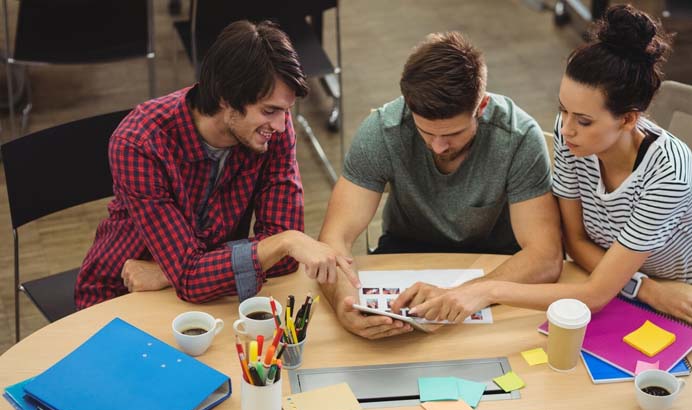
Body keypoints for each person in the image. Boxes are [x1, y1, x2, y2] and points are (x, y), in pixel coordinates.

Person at [399, 5, 692, 324]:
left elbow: (594, 296)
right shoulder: (573, 138)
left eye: (583, 120)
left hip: (678, 293)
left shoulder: (669, 175)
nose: (565, 130)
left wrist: (487, 291)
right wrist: (644, 289)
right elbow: (576, 242)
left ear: (628, 119)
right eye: (563, 110)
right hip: (618, 285)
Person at [75, 20, 356, 309]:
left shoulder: (272, 132)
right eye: (269, 110)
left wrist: (171, 272)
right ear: (225, 97)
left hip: (209, 295)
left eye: (286, 111)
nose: (282, 126)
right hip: (121, 293)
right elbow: (278, 248)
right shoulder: (139, 143)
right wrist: (283, 243)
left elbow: (282, 263)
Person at [318, 31, 563, 339]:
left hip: (496, 266)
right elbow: (333, 240)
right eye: (426, 132)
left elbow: (545, 256)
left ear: (482, 106)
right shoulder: (383, 130)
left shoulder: (518, 137)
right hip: (404, 253)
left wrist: (463, 293)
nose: (437, 146)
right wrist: (344, 305)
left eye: (453, 134)